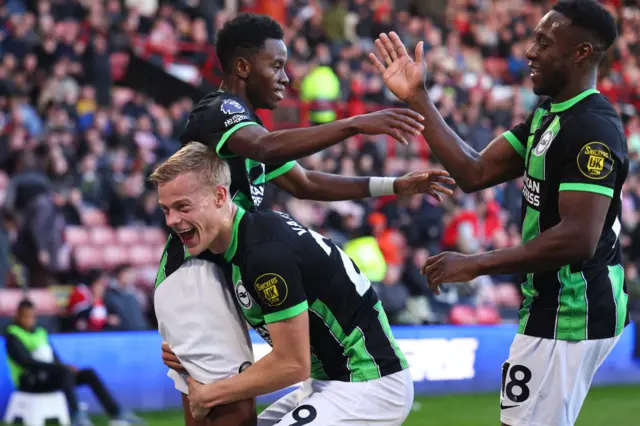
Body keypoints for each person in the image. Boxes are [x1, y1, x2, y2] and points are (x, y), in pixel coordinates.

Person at [154, 13, 454, 426]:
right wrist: (353, 124)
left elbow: (307, 182)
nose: (286, 77)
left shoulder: (246, 139)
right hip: (195, 268)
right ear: (243, 67)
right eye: (275, 65)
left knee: (228, 408)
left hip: (222, 266)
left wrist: (394, 186)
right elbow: (269, 148)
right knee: (227, 410)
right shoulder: (220, 111)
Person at [369, 1, 628, 425]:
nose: (530, 52)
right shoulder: (549, 114)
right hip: (551, 304)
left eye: (544, 43)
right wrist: (417, 96)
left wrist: (476, 264)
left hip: (571, 310)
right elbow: (474, 171)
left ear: (581, 52)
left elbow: (578, 237)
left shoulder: (592, 129)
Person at [152, 142, 414, 425]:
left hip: (368, 383)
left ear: (219, 196)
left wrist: (210, 394)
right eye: (166, 210)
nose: (172, 221)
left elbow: (293, 364)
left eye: (183, 207)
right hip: (327, 380)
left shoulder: (264, 256)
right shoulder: (238, 241)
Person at [4, 299, 144, 426]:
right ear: (18, 315)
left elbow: (54, 357)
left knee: (88, 373)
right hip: (29, 381)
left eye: (32, 316)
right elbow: (26, 362)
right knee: (65, 372)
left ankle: (117, 413)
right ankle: (77, 415)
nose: (29, 319)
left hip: (51, 376)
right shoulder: (13, 334)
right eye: (25, 316)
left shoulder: (41, 332)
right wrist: (61, 367)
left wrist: (63, 366)